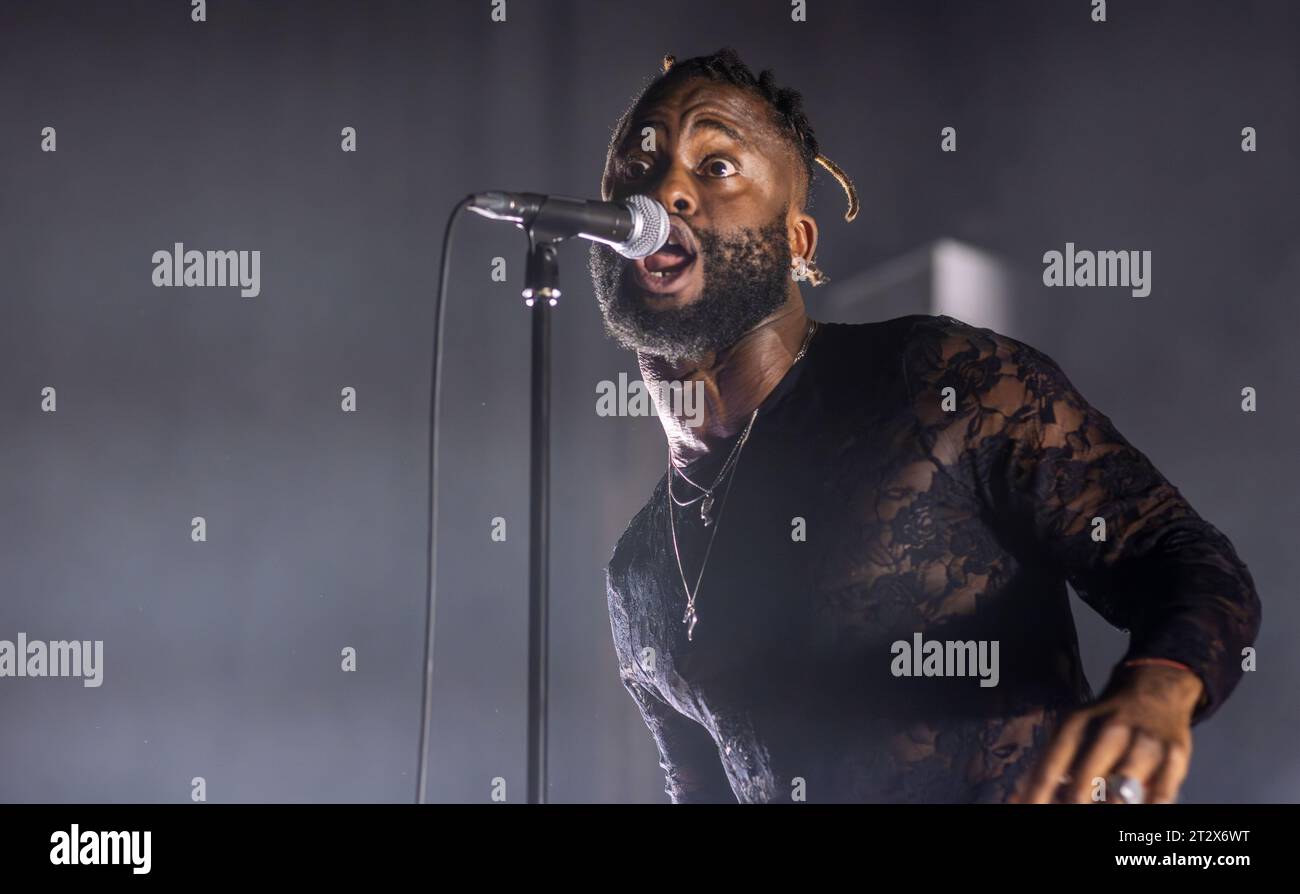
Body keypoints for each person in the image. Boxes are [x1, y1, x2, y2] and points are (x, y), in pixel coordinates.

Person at [588, 48, 1261, 804]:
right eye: (640, 164)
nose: (666, 188)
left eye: (715, 167)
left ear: (797, 242)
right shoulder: (635, 567)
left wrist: (1156, 693)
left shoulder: (938, 380)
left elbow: (1181, 556)